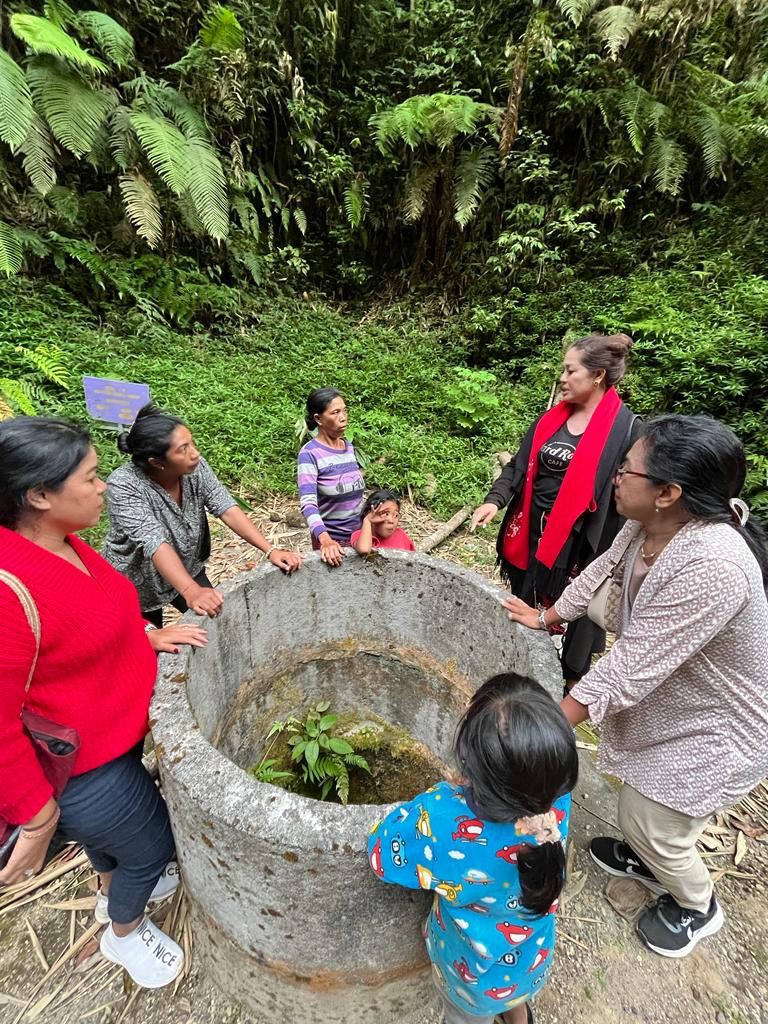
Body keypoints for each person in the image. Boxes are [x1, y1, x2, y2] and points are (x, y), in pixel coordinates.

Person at [504, 415, 768, 958]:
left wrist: (546, 727)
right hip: (678, 700)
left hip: (721, 727)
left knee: (653, 821)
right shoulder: (649, 524)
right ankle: (648, 855)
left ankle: (697, 906)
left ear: (669, 492)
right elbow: (603, 569)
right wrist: (548, 615)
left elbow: (628, 667)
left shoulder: (714, 564)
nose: (614, 478)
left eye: (627, 470)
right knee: (644, 805)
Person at [0, 417, 209, 988]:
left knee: (119, 844)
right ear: (39, 495)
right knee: (152, 847)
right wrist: (38, 818)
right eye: (91, 478)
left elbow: (93, 619)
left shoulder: (62, 544)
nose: (104, 488)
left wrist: (150, 637)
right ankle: (124, 933)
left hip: (113, 735)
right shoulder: (7, 588)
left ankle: (110, 885)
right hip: (83, 766)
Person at [367, 674, 577, 1023]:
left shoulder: (442, 823)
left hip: (471, 977)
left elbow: (381, 854)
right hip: (532, 957)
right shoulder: (555, 801)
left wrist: (432, 802)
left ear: (469, 762)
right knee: (514, 995)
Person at [471, 334, 638, 685]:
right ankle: (521, 669)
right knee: (525, 604)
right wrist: (494, 499)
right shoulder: (551, 421)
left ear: (597, 376)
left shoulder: (627, 431)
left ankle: (565, 687)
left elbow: (630, 491)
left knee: (575, 616)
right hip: (533, 531)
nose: (562, 378)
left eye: (569, 370)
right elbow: (518, 466)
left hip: (580, 547)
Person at [103, 403, 302, 628]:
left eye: (192, 443)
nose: (195, 453)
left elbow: (225, 507)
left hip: (187, 565)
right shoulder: (124, 486)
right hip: (136, 581)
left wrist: (270, 549)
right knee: (150, 647)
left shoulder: (194, 467)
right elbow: (154, 542)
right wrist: (190, 591)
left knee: (219, 621)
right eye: (182, 449)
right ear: (156, 462)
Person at [298, 387, 365, 566]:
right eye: (335, 413)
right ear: (318, 419)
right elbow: (308, 503)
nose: (343, 417)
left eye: (344, 411)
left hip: (359, 537)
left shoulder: (349, 447)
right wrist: (325, 540)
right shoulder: (310, 454)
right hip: (332, 542)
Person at [351, 489, 416, 554]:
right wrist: (367, 520)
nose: (391, 521)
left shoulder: (401, 535)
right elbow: (364, 550)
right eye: (386, 514)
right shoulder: (359, 535)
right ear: (369, 513)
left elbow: (413, 559)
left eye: (396, 515)